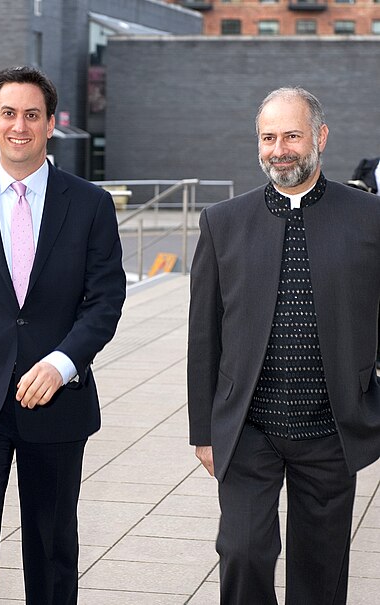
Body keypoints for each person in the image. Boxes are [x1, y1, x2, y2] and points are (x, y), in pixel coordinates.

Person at [0, 65, 126, 605]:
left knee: (52, 549)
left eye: (31, 115)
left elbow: (106, 301)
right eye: (8, 113)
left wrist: (63, 363)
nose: (20, 126)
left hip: (55, 400)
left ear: (50, 124)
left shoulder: (89, 204)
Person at [187, 87, 380, 604]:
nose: (280, 149)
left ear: (319, 137)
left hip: (331, 428)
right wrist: (203, 430)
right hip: (250, 427)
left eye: (291, 135)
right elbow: (204, 334)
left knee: (321, 570)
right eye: (268, 137)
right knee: (243, 552)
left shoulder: (370, 218)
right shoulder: (222, 222)